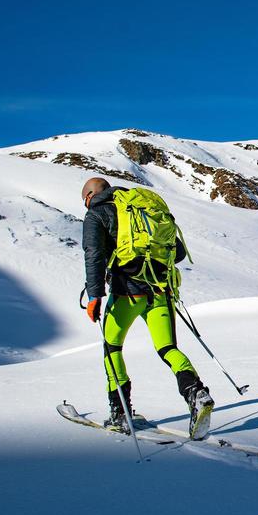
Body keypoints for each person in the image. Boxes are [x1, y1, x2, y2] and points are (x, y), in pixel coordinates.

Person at [80, 176, 214, 438]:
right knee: (167, 348)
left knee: (112, 347)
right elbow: (178, 252)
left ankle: (120, 414)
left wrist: (95, 296)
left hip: (127, 293)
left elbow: (93, 253)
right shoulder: (143, 208)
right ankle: (197, 393)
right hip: (160, 290)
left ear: (89, 196)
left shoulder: (97, 213)